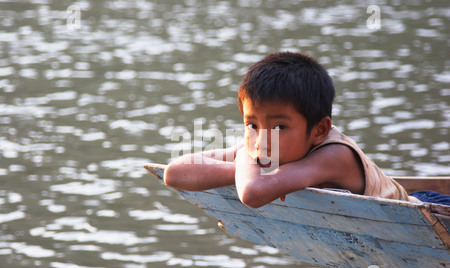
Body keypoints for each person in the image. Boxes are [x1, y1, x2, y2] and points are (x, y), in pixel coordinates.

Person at [159, 51, 449, 208]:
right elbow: (175, 172)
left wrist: (251, 165)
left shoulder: (334, 155)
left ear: (319, 130)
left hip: (430, 209)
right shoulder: (264, 144)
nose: (262, 140)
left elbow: (252, 193)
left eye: (280, 126)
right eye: (252, 124)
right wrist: (254, 165)